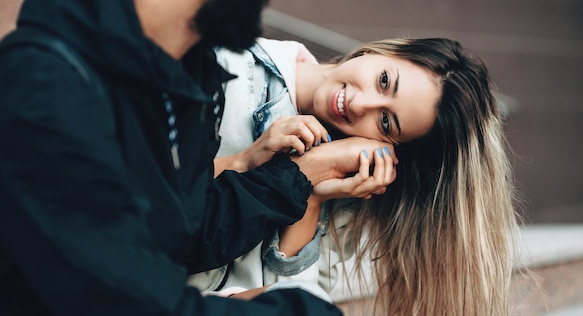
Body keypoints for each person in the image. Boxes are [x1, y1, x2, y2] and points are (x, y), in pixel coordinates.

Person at [0, 0, 396, 315]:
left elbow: (179, 232)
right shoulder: (50, 89)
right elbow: (117, 298)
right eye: (383, 82)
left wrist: (291, 174)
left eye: (388, 122)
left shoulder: (184, 74)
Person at [188, 37, 521, 315]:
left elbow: (293, 301)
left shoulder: (346, 194)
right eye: (384, 81)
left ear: (390, 147)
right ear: (380, 51)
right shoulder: (226, 63)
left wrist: (314, 197)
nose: (361, 104)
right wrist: (252, 162)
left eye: (386, 122)